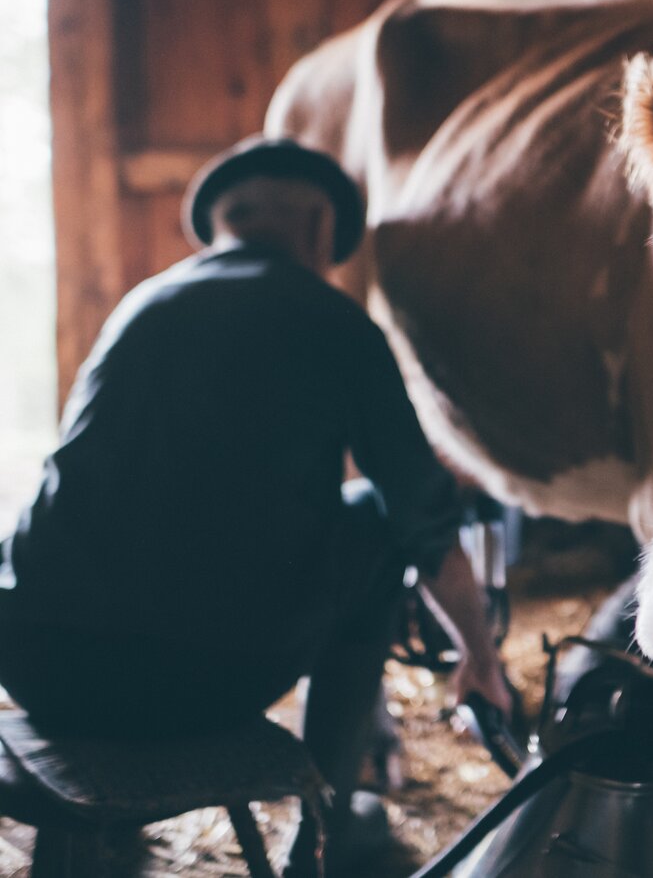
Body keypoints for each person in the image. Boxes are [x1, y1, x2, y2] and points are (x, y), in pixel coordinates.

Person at [0, 136, 511, 874]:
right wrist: (479, 657)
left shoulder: (139, 307)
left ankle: (112, 832)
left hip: (39, 668)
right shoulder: (338, 324)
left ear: (224, 223)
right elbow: (423, 519)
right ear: (315, 228)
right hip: (208, 685)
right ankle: (321, 831)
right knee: (370, 510)